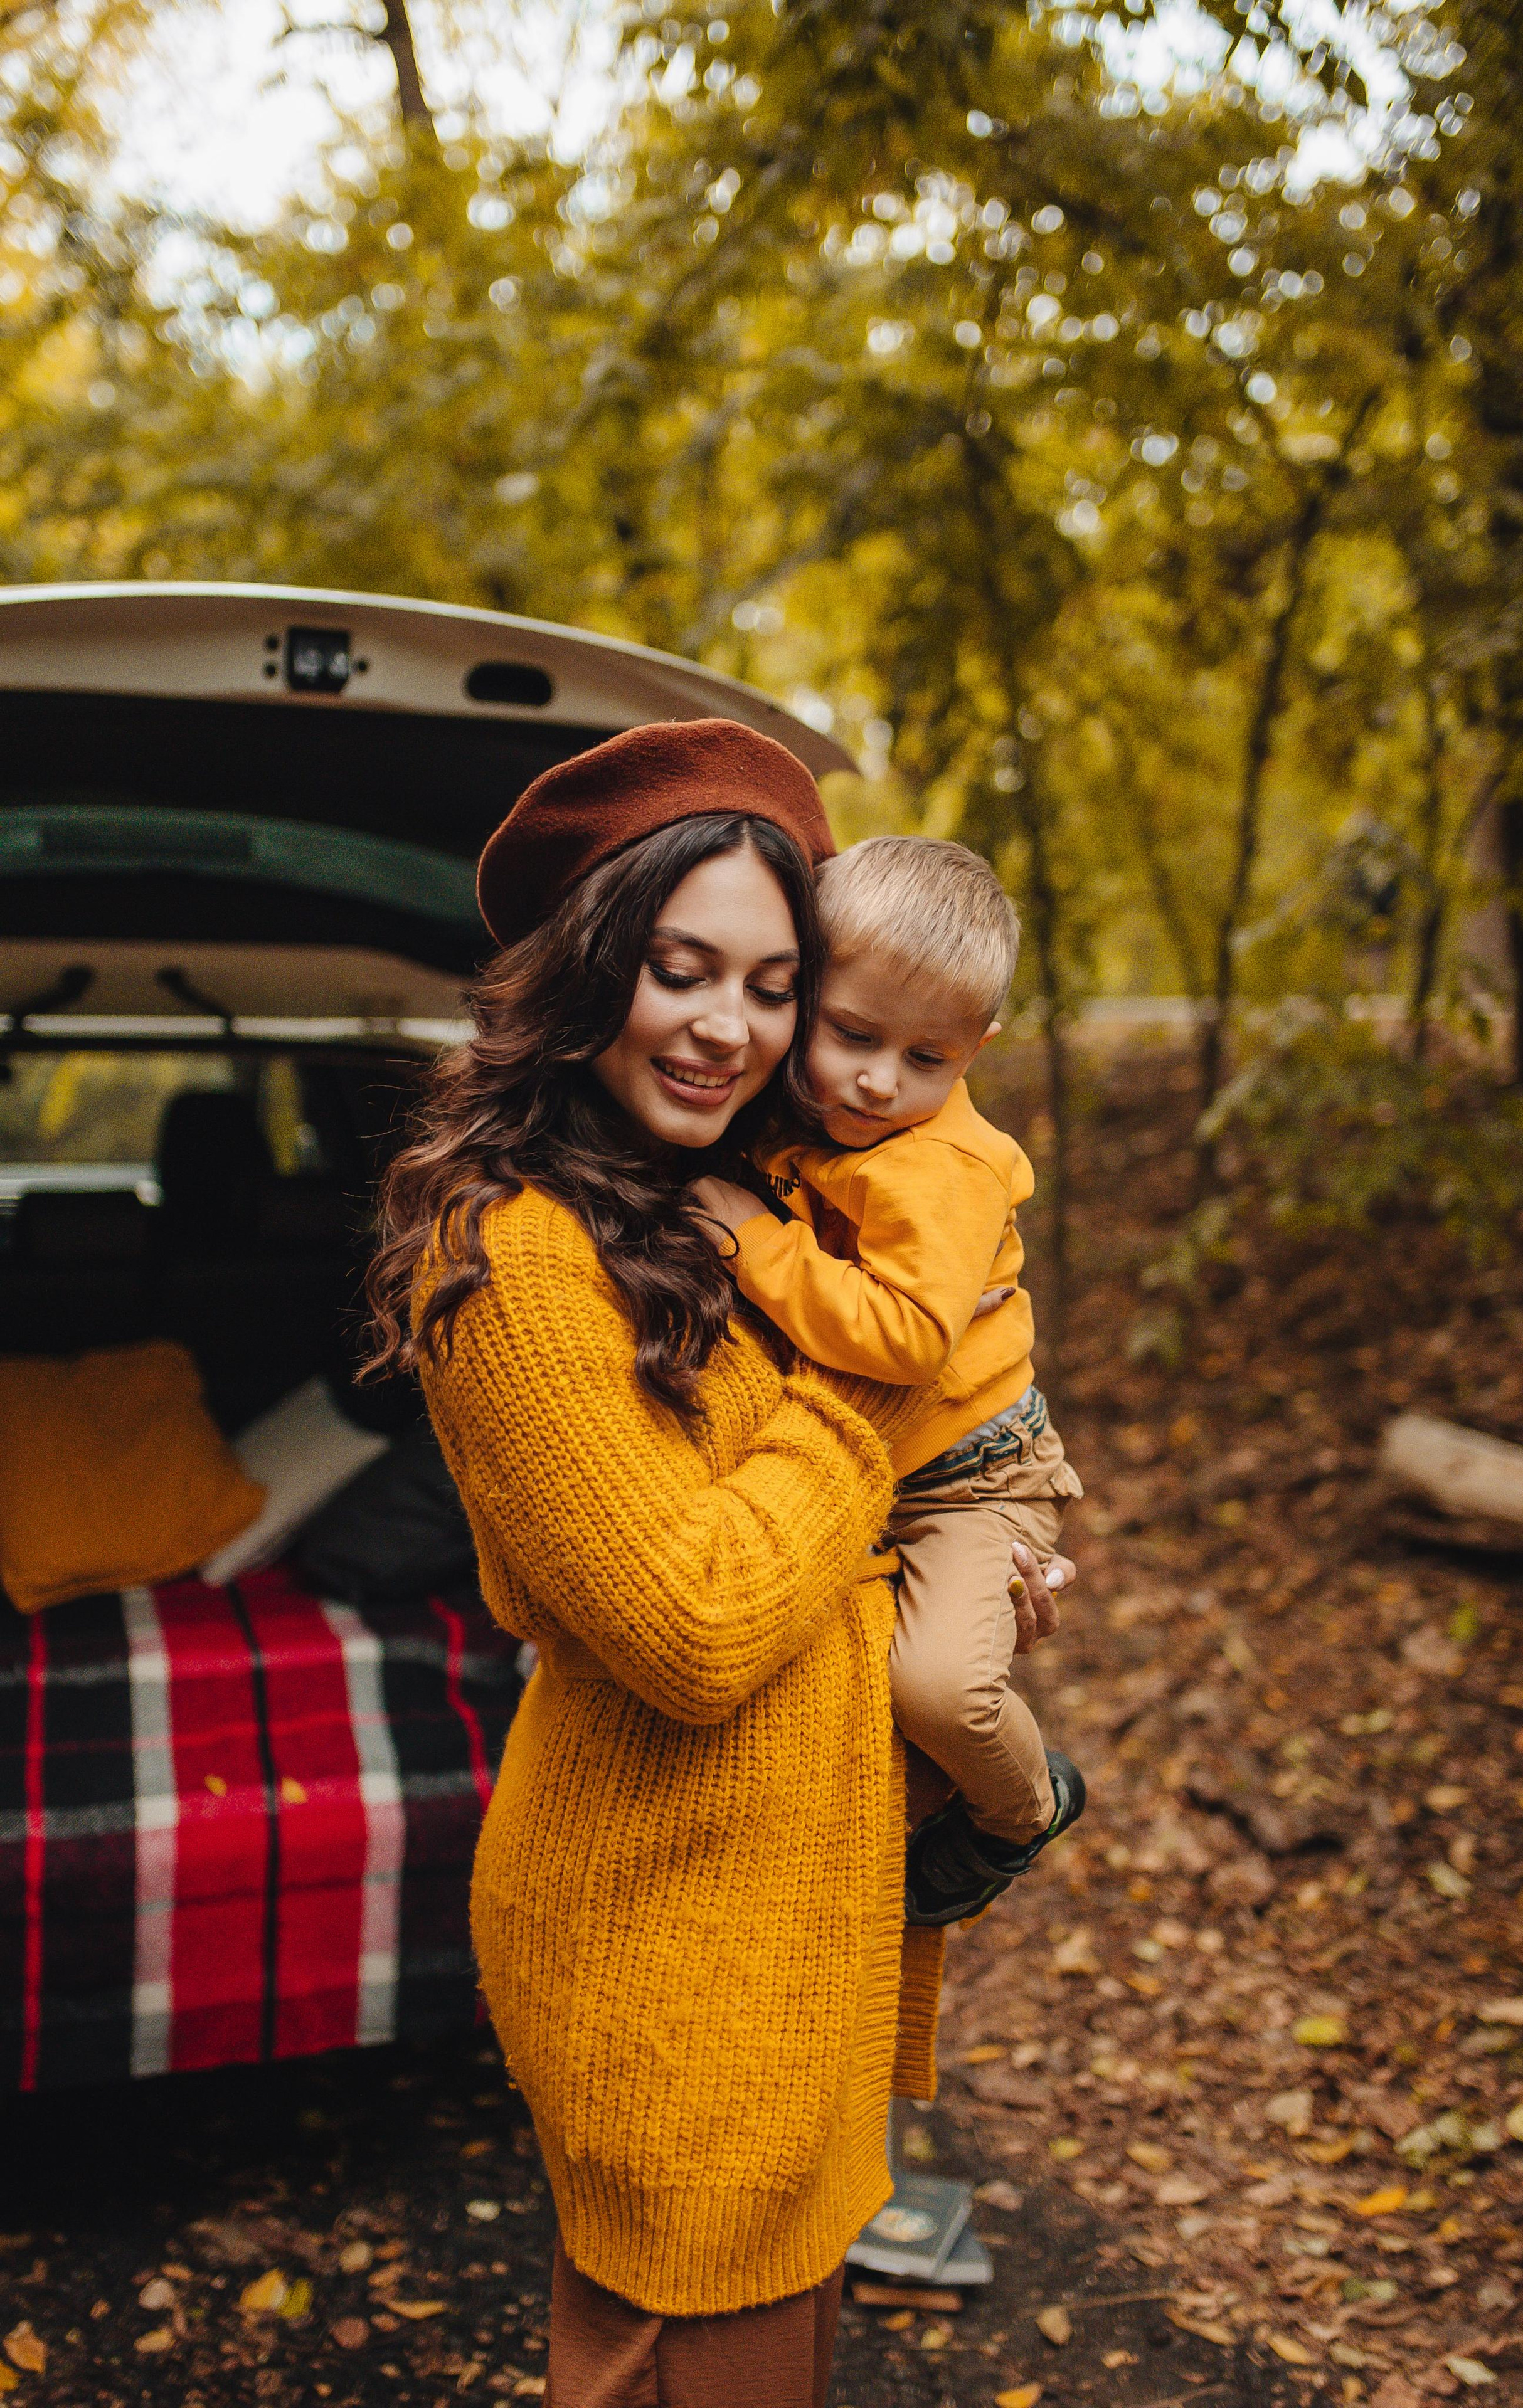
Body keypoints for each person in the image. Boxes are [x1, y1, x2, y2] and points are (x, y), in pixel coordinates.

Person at [364, 722, 1069, 2408]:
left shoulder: (724, 1194)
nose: (727, 1028)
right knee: (680, 2365)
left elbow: (802, 1521)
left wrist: (952, 1570)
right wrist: (885, 1397)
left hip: (792, 1914)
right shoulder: (513, 1252)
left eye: (771, 988)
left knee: (769, 2350)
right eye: (680, 970)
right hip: (668, 1941)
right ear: (590, 966)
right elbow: (696, 1623)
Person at [689, 835, 1085, 1928]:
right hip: (873, 1473)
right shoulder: (799, 1119)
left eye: (928, 1058)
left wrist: (754, 1244)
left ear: (977, 1050)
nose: (878, 1080)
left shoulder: (940, 1167)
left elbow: (909, 1340)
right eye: (854, 1035)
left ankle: (1022, 1809)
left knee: (941, 1693)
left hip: (974, 1481)